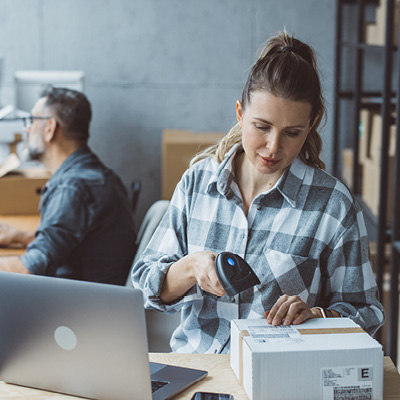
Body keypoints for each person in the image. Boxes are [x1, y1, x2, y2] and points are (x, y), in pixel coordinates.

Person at [132, 30, 385, 353]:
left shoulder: (332, 205)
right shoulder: (197, 183)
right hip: (199, 372)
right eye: (261, 127)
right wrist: (191, 267)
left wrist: (320, 316)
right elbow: (145, 287)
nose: (273, 147)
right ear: (240, 113)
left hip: (278, 377)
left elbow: (368, 313)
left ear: (312, 123)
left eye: (292, 133)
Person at [0, 87, 136, 285]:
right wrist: (20, 236)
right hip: (96, 294)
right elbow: (78, 242)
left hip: (78, 304)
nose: (26, 129)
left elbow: (32, 268)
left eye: (31, 121)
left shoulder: (73, 188)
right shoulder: (96, 174)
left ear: (50, 128)